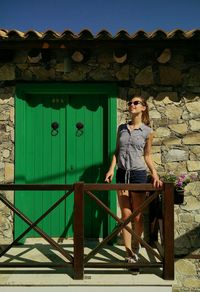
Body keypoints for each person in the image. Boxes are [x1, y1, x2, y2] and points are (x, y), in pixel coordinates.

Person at [105, 95, 162, 263]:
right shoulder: (122, 128)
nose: (132, 105)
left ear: (143, 107)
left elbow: (147, 155)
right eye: (130, 103)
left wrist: (155, 173)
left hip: (138, 175)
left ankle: (136, 247)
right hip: (122, 174)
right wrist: (111, 169)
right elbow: (117, 151)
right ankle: (129, 253)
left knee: (137, 216)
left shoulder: (147, 132)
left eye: (136, 103)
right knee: (125, 214)